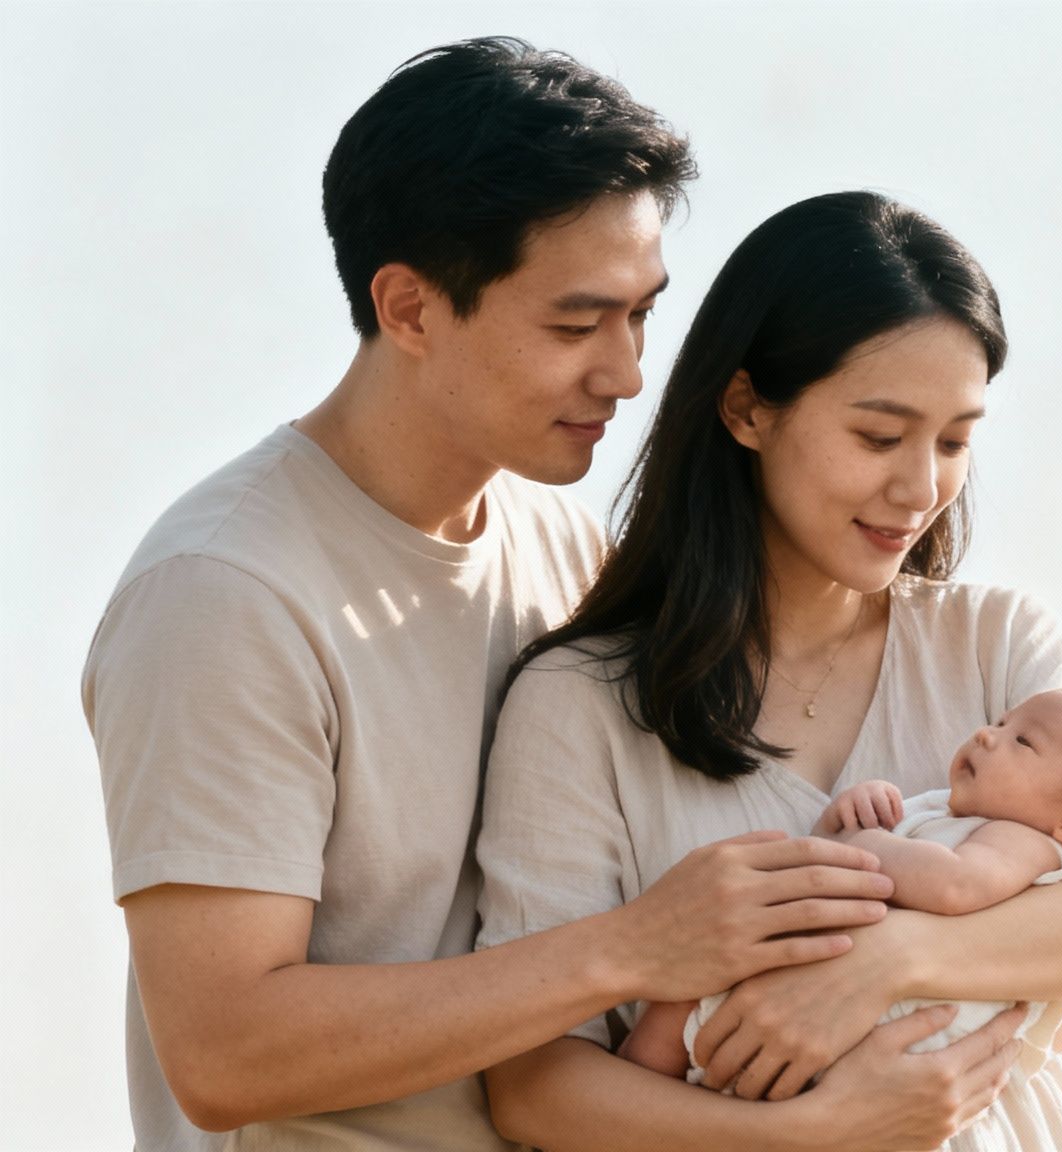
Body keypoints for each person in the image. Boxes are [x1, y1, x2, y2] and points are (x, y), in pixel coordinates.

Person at [80, 38, 900, 1150]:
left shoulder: (560, 549)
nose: (623, 373)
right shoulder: (224, 595)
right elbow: (223, 1054)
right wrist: (631, 948)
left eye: (640, 315)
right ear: (410, 309)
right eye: (574, 324)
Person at [475, 191, 1062, 1152]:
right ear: (746, 408)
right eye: (878, 435)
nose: (920, 489)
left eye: (954, 441)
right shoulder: (582, 705)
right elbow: (533, 1090)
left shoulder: (996, 647)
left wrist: (887, 962)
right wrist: (824, 1132)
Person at [618, 685, 1062, 1132]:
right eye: (1000, 722)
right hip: (824, 995)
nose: (986, 735)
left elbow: (953, 887)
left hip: (886, 1021)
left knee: (685, 1008)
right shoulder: (949, 814)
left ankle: (637, 1086)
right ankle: (628, 1093)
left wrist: (870, 845)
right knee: (682, 1001)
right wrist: (853, 816)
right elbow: (832, 856)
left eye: (1022, 742)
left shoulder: (1025, 844)